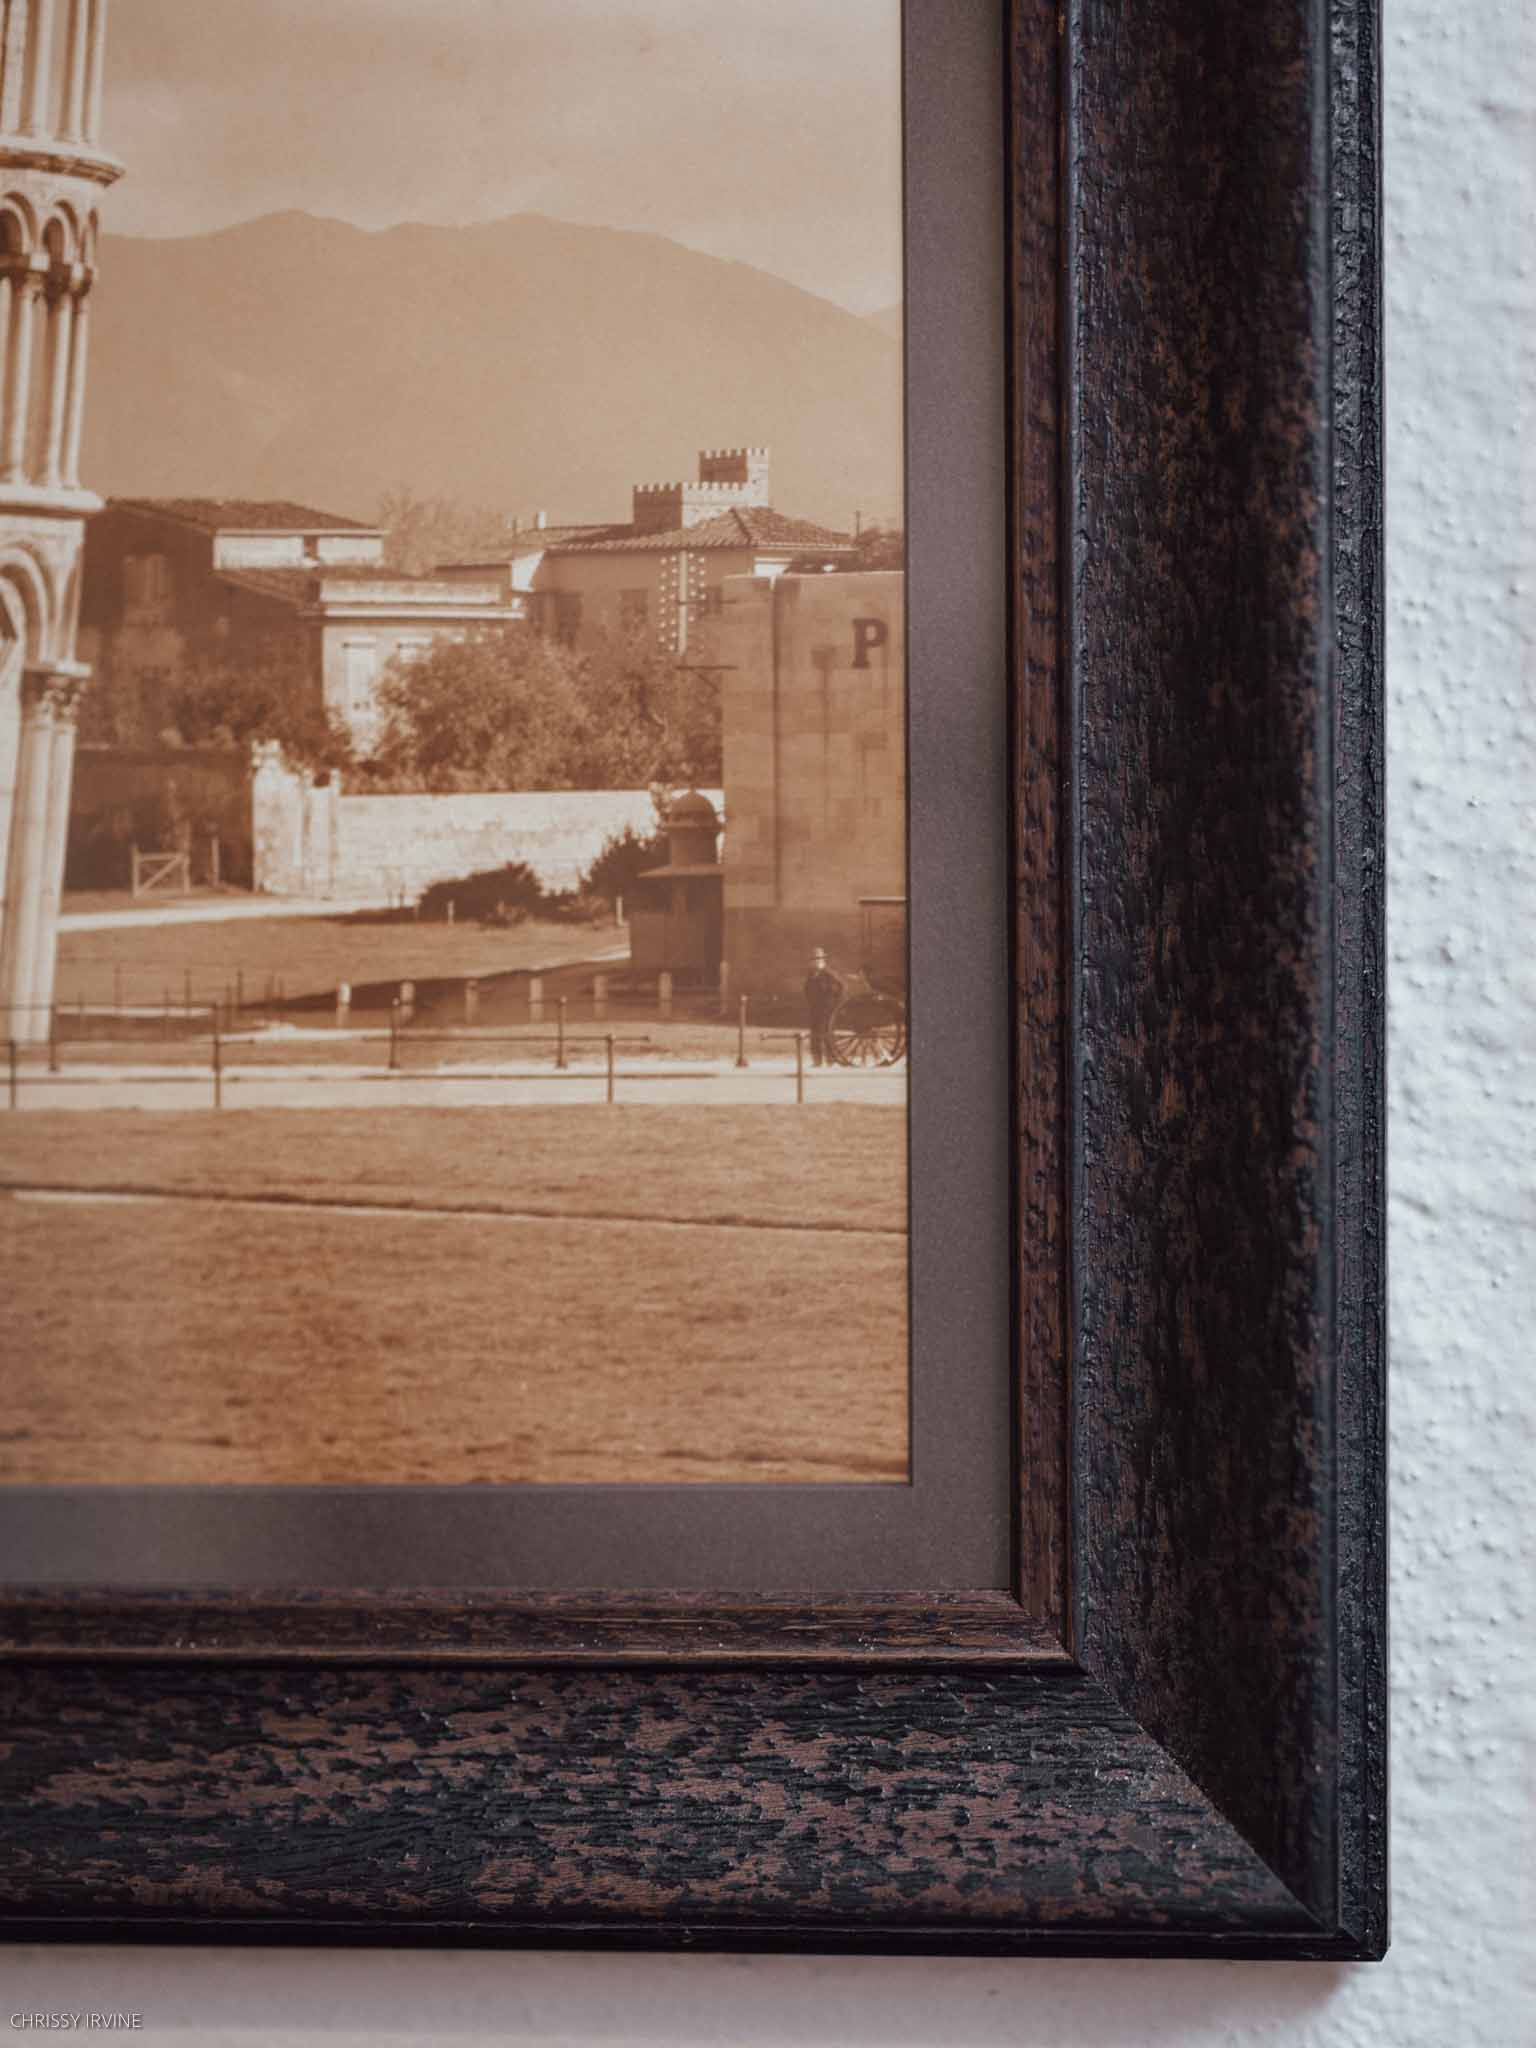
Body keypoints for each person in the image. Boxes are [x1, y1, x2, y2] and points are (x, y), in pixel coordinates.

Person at [803, 947, 845, 1067]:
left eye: (818, 959)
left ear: (823, 960)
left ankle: (831, 1060)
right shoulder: (811, 975)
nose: (815, 961)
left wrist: (835, 1004)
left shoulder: (829, 974)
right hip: (815, 1009)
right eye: (813, 959)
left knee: (827, 1033)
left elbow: (841, 988)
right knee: (815, 1034)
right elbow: (807, 990)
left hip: (828, 1010)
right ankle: (817, 1060)